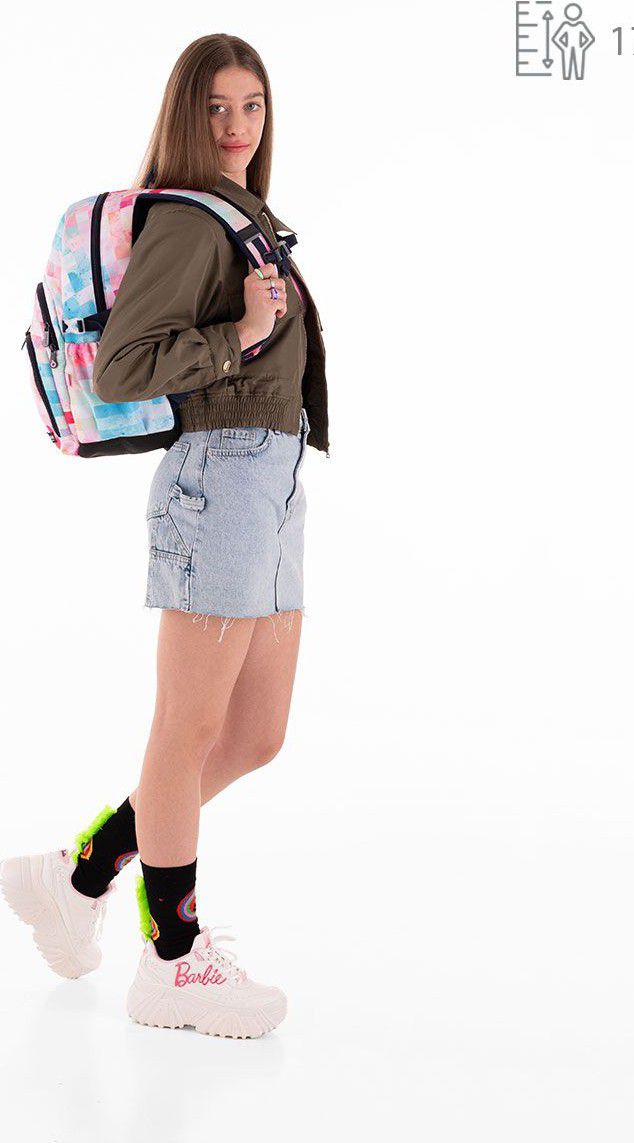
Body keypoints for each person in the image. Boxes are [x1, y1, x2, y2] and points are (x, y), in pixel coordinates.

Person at [0, 32, 330, 1041]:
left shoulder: (244, 216)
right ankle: (173, 962)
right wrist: (240, 334)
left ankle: (78, 875)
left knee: (255, 734)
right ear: (186, 114)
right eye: (216, 108)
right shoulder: (190, 219)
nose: (235, 126)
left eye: (251, 106)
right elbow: (121, 369)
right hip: (219, 478)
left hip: (271, 478)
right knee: (186, 729)